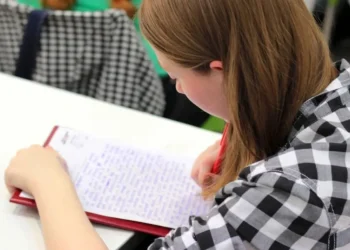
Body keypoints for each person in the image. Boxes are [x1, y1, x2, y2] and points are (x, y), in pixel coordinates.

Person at [4, 0, 350, 249]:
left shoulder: (291, 192)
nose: (178, 88)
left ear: (222, 72)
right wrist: (242, 136)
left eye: (175, 77)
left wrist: (50, 184)